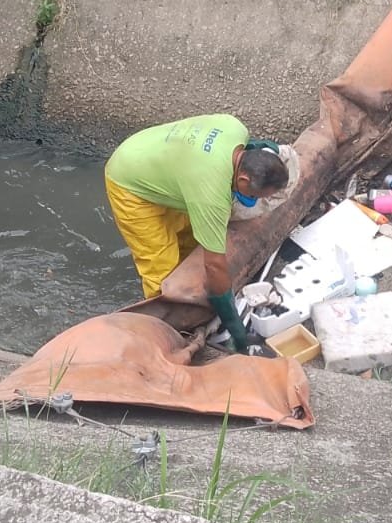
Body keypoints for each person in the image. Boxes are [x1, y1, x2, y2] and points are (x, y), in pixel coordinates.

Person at [103, 113, 289, 350]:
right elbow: (214, 264)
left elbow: (261, 149)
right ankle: (164, 335)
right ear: (242, 179)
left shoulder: (235, 129)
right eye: (253, 195)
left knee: (189, 241)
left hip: (154, 156)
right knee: (163, 270)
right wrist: (235, 327)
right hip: (129, 181)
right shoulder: (211, 195)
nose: (253, 200)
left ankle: (191, 312)